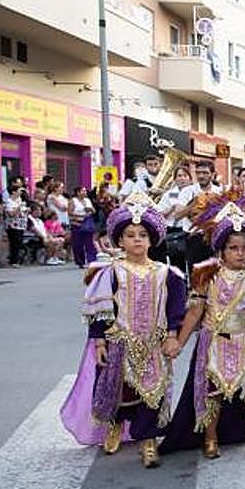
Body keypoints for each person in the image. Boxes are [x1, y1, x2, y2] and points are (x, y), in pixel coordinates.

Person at [161, 189, 245, 465]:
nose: (241, 253)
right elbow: (195, 312)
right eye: (234, 248)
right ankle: (210, 439)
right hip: (214, 342)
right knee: (213, 393)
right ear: (221, 248)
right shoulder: (205, 274)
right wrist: (180, 342)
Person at [59, 192, 186, 469]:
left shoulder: (168, 274)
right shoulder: (110, 271)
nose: (137, 239)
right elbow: (101, 311)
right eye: (130, 234)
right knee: (119, 393)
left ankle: (148, 440)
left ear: (152, 238)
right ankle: (115, 425)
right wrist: (99, 342)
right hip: (120, 342)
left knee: (153, 392)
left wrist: (173, 337)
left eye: (142, 234)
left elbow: (176, 310)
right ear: (119, 240)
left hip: (154, 344)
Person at [174, 161, 221, 269]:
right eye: (198, 173)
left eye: (205, 173)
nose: (201, 176)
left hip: (213, 237)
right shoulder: (187, 191)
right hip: (194, 238)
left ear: (213, 174)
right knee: (195, 273)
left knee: (215, 273)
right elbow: (177, 215)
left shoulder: (219, 192)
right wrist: (193, 203)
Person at [157, 164, 193, 273]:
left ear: (190, 178)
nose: (182, 178)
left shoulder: (195, 192)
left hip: (190, 230)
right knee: (177, 262)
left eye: (185, 176)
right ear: (175, 179)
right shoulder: (169, 194)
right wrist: (171, 209)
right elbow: (159, 213)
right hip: (174, 231)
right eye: (179, 176)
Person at [68, 186, 97, 268]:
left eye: (85, 191)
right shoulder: (73, 201)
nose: (85, 192)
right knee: (78, 243)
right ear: (78, 192)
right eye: (83, 191)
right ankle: (80, 261)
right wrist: (81, 215)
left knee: (89, 243)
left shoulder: (87, 200)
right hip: (77, 223)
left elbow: (94, 210)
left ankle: (91, 260)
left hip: (87, 223)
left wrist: (90, 210)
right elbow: (70, 212)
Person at [3, 185, 29, 267]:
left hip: (21, 224)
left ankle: (17, 259)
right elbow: (11, 213)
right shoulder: (9, 201)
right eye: (18, 190)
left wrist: (26, 210)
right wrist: (19, 207)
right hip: (13, 225)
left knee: (19, 241)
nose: (20, 192)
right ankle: (13, 260)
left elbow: (24, 210)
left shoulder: (19, 200)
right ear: (13, 192)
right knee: (14, 242)